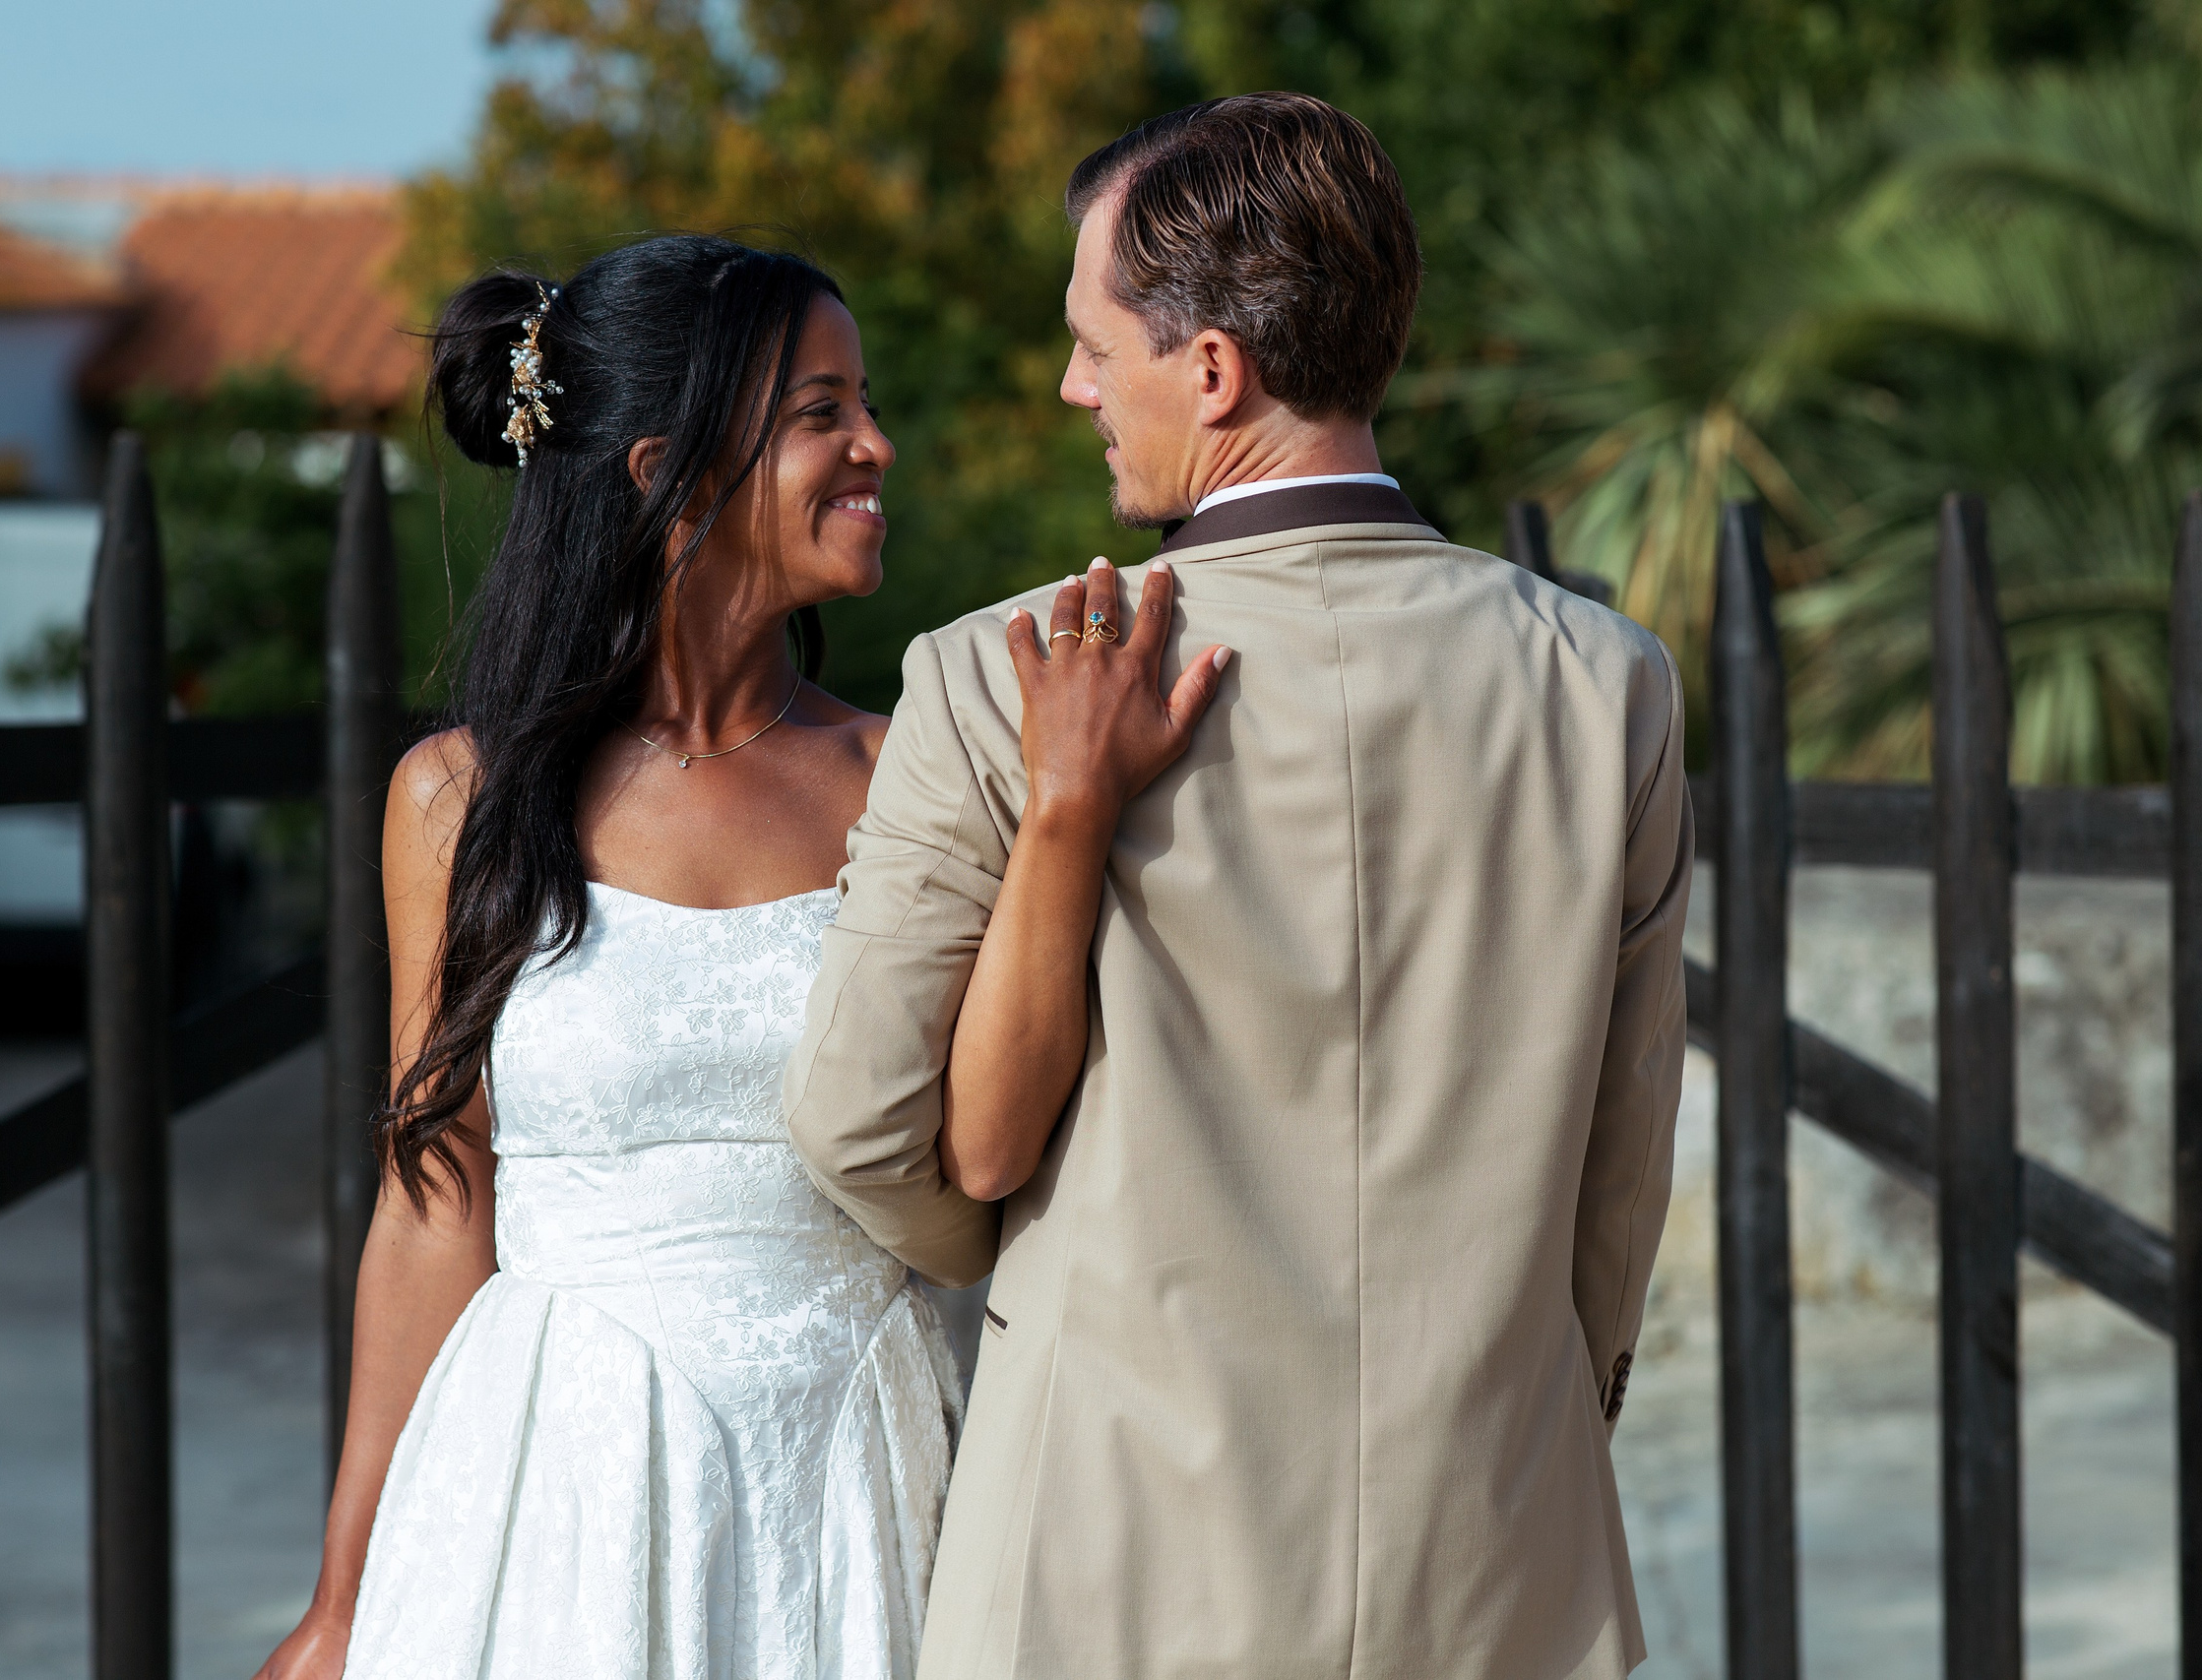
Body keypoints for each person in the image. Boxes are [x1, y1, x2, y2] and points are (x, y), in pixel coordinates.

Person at [783, 93, 1693, 1680]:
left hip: (1102, 1547)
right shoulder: (1606, 683)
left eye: (1092, 343)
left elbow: (868, 1125)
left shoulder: (999, 679)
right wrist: (1535, 1421)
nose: (1073, 383)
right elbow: (1620, 1171)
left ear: (1213, 371)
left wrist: (1001, 1268)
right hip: (1494, 1550)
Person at [252, 233, 1223, 1680]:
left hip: (852, 1473)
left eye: (864, 401)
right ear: (664, 470)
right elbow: (433, 1204)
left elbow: (994, 1144)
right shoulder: (459, 801)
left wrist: (1067, 810)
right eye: (821, 413)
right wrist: (342, 1605)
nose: (876, 445)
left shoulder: (915, 773)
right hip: (556, 1484)